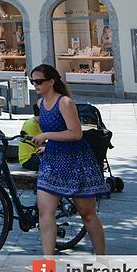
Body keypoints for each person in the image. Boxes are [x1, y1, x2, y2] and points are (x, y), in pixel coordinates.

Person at [29, 64, 108, 256]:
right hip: (52, 161)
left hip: (75, 162)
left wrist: (46, 135)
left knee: (87, 214)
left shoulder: (64, 102)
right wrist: (47, 146)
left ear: (51, 81)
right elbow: (58, 134)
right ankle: (48, 267)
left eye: (39, 81)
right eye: (32, 82)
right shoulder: (40, 104)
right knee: (45, 214)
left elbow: (76, 133)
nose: (35, 85)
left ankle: (102, 259)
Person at [18, 103, 42, 171]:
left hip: (35, 155)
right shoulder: (31, 125)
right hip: (29, 159)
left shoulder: (36, 122)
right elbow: (39, 145)